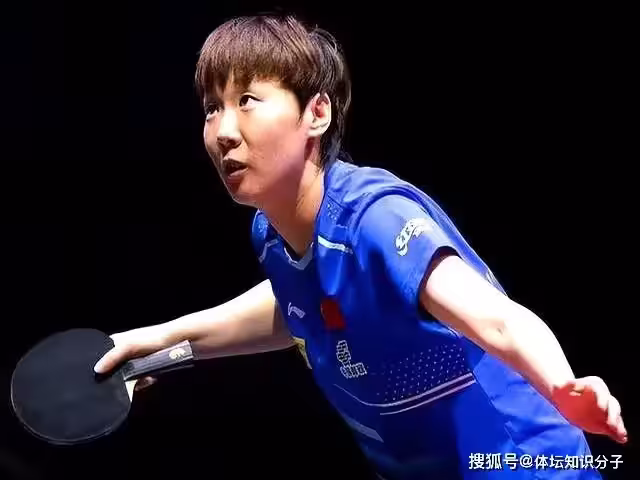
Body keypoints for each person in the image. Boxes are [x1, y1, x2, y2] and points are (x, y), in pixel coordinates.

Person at [94, 14, 627, 479]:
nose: (223, 131)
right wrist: (156, 339)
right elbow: (297, 302)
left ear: (316, 113)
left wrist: (562, 384)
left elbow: (497, 319)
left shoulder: (373, 219)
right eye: (213, 107)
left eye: (247, 101)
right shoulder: (272, 235)